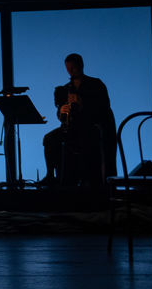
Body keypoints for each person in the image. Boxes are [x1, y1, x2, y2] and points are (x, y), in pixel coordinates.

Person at [42, 52, 116, 188]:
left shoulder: (95, 84)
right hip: (71, 128)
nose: (70, 72)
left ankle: (84, 179)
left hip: (91, 128)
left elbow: (104, 108)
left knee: (83, 142)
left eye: (73, 68)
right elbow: (60, 117)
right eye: (68, 68)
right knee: (49, 139)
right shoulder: (64, 89)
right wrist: (62, 111)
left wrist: (83, 104)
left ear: (81, 66)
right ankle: (51, 175)